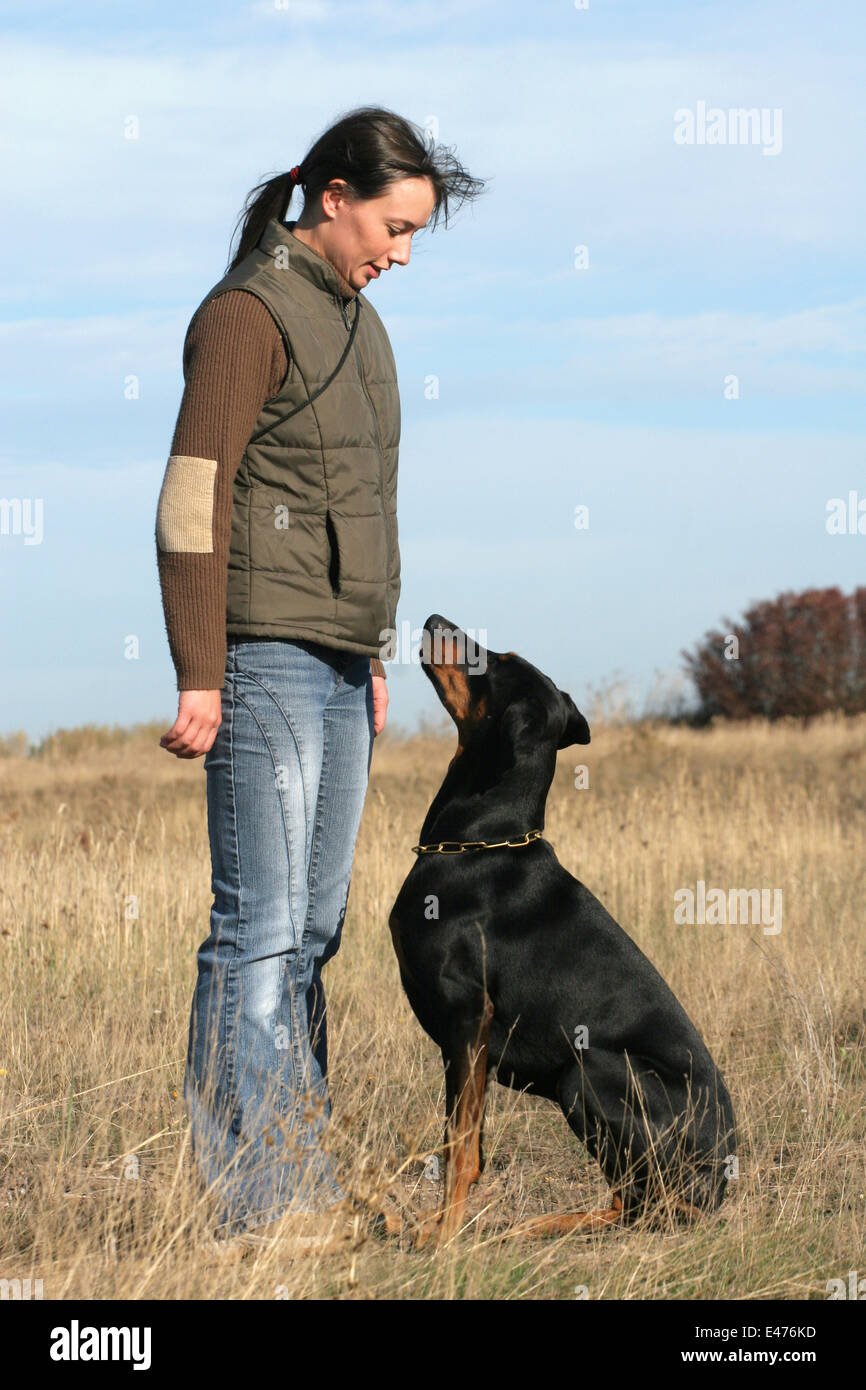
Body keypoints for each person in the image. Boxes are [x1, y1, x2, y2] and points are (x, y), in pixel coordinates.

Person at [154, 105, 485, 1248]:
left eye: (414, 236)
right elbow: (193, 495)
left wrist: (376, 651)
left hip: (340, 665)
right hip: (259, 655)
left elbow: (365, 504)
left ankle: (297, 1180)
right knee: (257, 928)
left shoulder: (362, 329)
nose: (399, 253)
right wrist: (203, 668)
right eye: (391, 227)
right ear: (331, 195)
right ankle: (253, 1209)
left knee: (314, 932)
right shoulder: (247, 314)